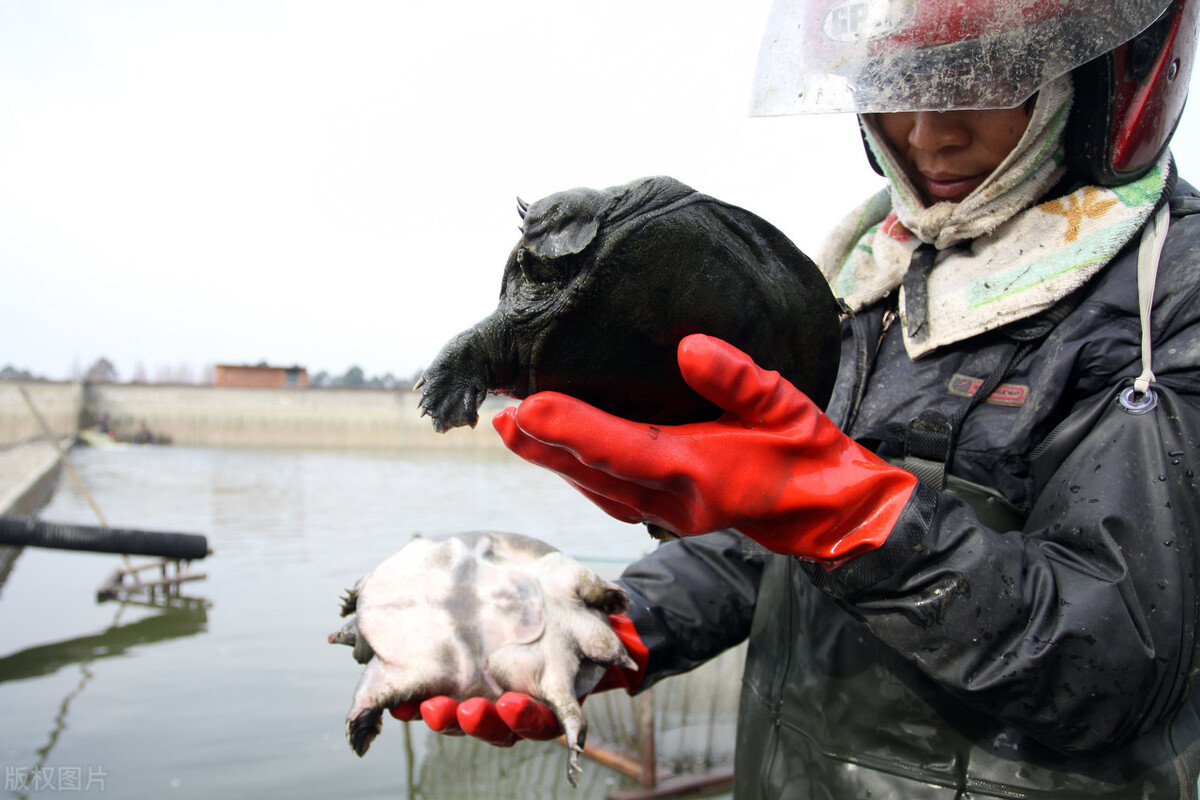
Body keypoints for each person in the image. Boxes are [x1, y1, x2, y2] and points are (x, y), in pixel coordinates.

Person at [399, 0, 1200, 795]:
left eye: (981, 80)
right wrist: (615, 629)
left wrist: (861, 521)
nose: (926, 134)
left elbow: (1116, 660)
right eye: (897, 85)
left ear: (1100, 80)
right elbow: (765, 542)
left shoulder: (1168, 290)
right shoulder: (867, 274)